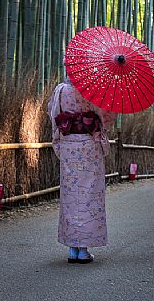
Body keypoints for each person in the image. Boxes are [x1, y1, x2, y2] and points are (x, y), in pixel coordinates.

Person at [48, 76, 117, 264]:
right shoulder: (93, 89)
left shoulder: (61, 90)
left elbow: (54, 116)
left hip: (70, 146)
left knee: (71, 195)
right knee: (89, 195)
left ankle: (72, 249)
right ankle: (83, 250)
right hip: (89, 147)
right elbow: (107, 118)